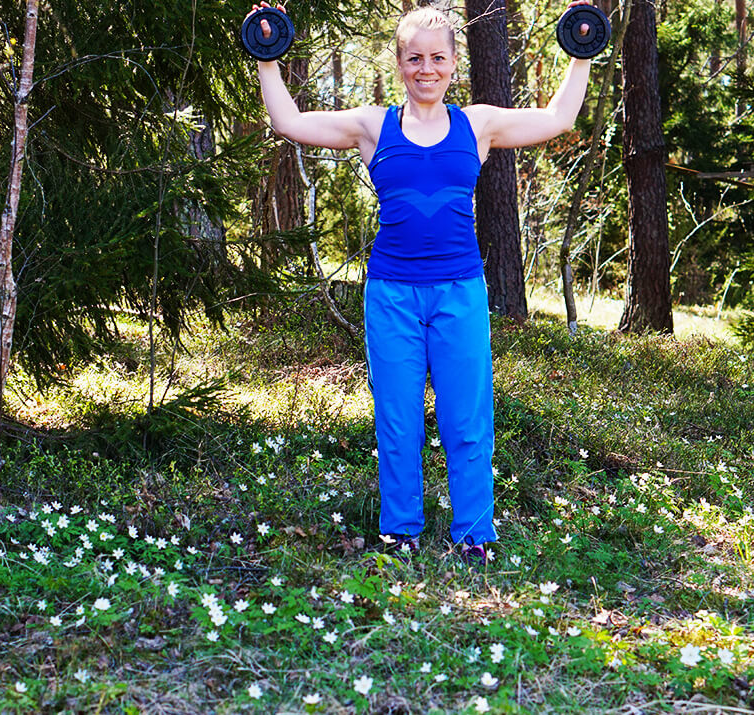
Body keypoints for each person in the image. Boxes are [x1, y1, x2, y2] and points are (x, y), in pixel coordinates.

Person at [248, 1, 593, 565]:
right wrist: (268, 57)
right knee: (398, 417)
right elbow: (288, 123)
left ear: (454, 63)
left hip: (460, 291)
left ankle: (474, 534)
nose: (426, 68)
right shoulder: (371, 126)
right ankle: (400, 529)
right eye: (415, 58)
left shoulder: (478, 124)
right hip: (391, 293)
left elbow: (557, 119)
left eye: (437, 57)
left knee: (466, 417)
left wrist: (580, 52)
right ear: (401, 64)